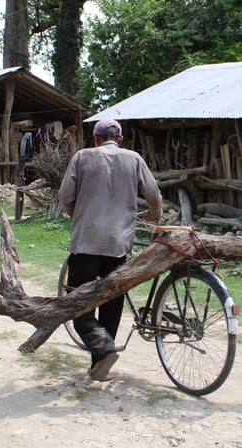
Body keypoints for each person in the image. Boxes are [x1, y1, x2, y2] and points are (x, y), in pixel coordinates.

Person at [58, 118, 162, 381]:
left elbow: (65, 198)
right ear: (120, 140)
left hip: (86, 242)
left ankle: (103, 350)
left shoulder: (82, 157)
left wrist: (77, 214)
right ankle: (101, 365)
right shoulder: (133, 158)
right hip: (118, 246)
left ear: (95, 139)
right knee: (111, 304)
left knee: (77, 306)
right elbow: (154, 195)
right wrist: (154, 214)